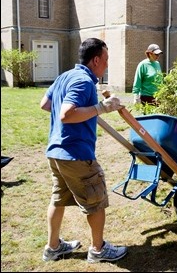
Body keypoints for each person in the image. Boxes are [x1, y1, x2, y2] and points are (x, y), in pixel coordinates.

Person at [39, 37, 128, 263]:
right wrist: (101, 107)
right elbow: (67, 114)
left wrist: (84, 113)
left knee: (58, 199)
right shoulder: (84, 81)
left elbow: (46, 105)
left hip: (56, 152)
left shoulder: (65, 76)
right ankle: (98, 250)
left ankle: (53, 247)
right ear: (96, 60)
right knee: (95, 200)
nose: (107, 65)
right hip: (76, 154)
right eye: (106, 60)